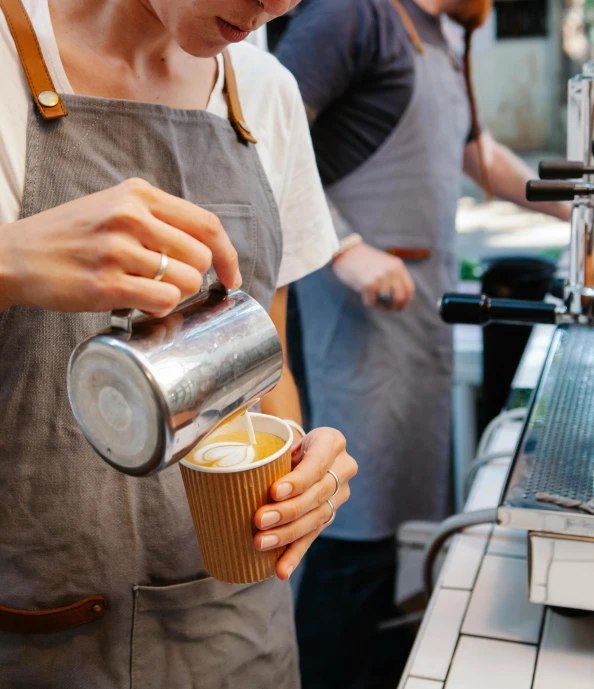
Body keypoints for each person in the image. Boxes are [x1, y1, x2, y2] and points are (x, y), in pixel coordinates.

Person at [0, 1, 358, 688]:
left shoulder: (266, 94)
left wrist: (303, 468)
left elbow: (264, 367)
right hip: (42, 640)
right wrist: (11, 260)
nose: (276, 4)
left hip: (238, 639)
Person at [275, 1, 571, 687]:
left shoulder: (443, 35)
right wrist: (344, 248)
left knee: (406, 544)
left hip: (418, 328)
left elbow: (481, 158)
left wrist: (578, 205)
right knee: (352, 543)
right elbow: (263, 136)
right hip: (350, 332)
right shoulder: (355, 15)